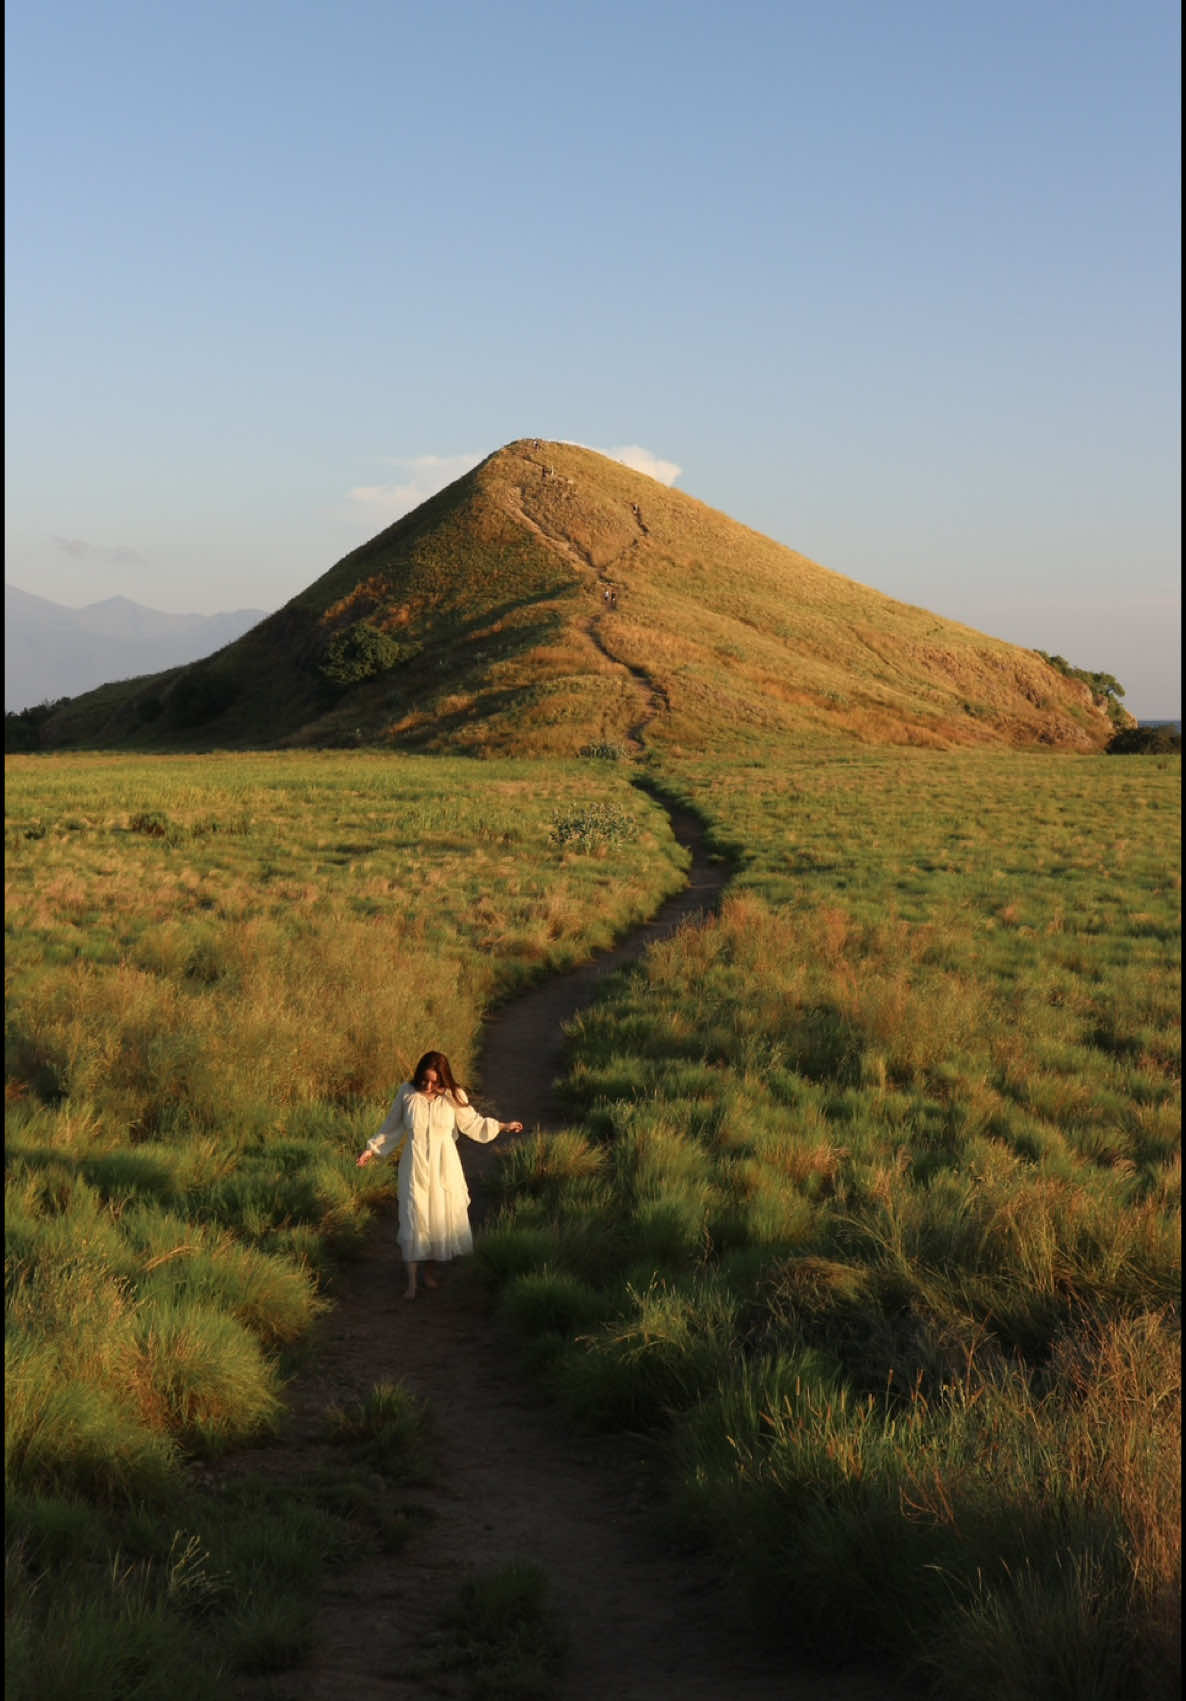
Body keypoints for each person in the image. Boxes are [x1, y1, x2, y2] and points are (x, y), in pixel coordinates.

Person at [356, 1051, 522, 1300]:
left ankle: (429, 1273)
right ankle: (411, 1283)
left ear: (443, 1079)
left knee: (438, 1217)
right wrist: (372, 1149)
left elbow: (473, 1123)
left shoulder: (454, 1095)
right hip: (415, 1165)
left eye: (435, 1081)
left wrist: (501, 1126)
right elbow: (391, 1126)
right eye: (425, 1080)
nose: (429, 1086)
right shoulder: (407, 1093)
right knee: (414, 1215)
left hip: (445, 1165)